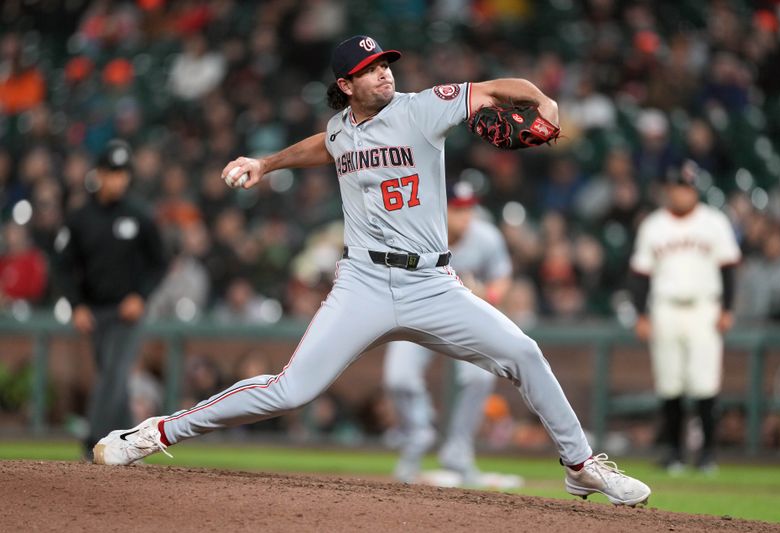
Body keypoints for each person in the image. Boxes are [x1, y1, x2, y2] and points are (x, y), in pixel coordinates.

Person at [93, 35, 651, 507]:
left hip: (432, 283)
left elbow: (502, 91)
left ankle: (580, 465)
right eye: (370, 69)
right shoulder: (341, 130)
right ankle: (152, 433)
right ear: (345, 85)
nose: (384, 74)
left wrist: (544, 101)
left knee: (523, 352)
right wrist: (265, 163)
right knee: (290, 391)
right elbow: (324, 145)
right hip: (362, 282)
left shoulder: (421, 107)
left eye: (385, 64)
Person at [383, 181, 512, 485]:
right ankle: (417, 435)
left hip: (462, 318)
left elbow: (502, 277)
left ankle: (458, 449)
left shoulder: (486, 237)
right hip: (419, 313)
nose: (465, 215)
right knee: (398, 378)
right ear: (442, 208)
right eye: (458, 209)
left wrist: (488, 296)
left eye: (469, 208)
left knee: (480, 376)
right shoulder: (419, 231)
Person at [53, 139, 168, 459]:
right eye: (112, 172)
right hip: (95, 311)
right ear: (100, 174)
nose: (118, 179)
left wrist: (141, 296)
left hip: (127, 312)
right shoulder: (80, 218)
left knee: (114, 374)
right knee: (111, 379)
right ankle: (131, 443)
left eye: (123, 173)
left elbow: (160, 263)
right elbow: (62, 266)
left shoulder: (141, 215)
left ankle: (92, 441)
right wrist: (76, 305)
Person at [629, 159, 741, 474]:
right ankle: (674, 453)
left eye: (688, 187)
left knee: (705, 383)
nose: (683, 192)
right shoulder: (654, 225)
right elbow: (639, 275)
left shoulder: (714, 222)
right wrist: (641, 314)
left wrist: (727, 309)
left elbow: (729, 268)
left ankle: (707, 454)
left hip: (705, 307)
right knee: (669, 384)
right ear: (668, 189)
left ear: (695, 190)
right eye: (678, 186)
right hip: (665, 307)